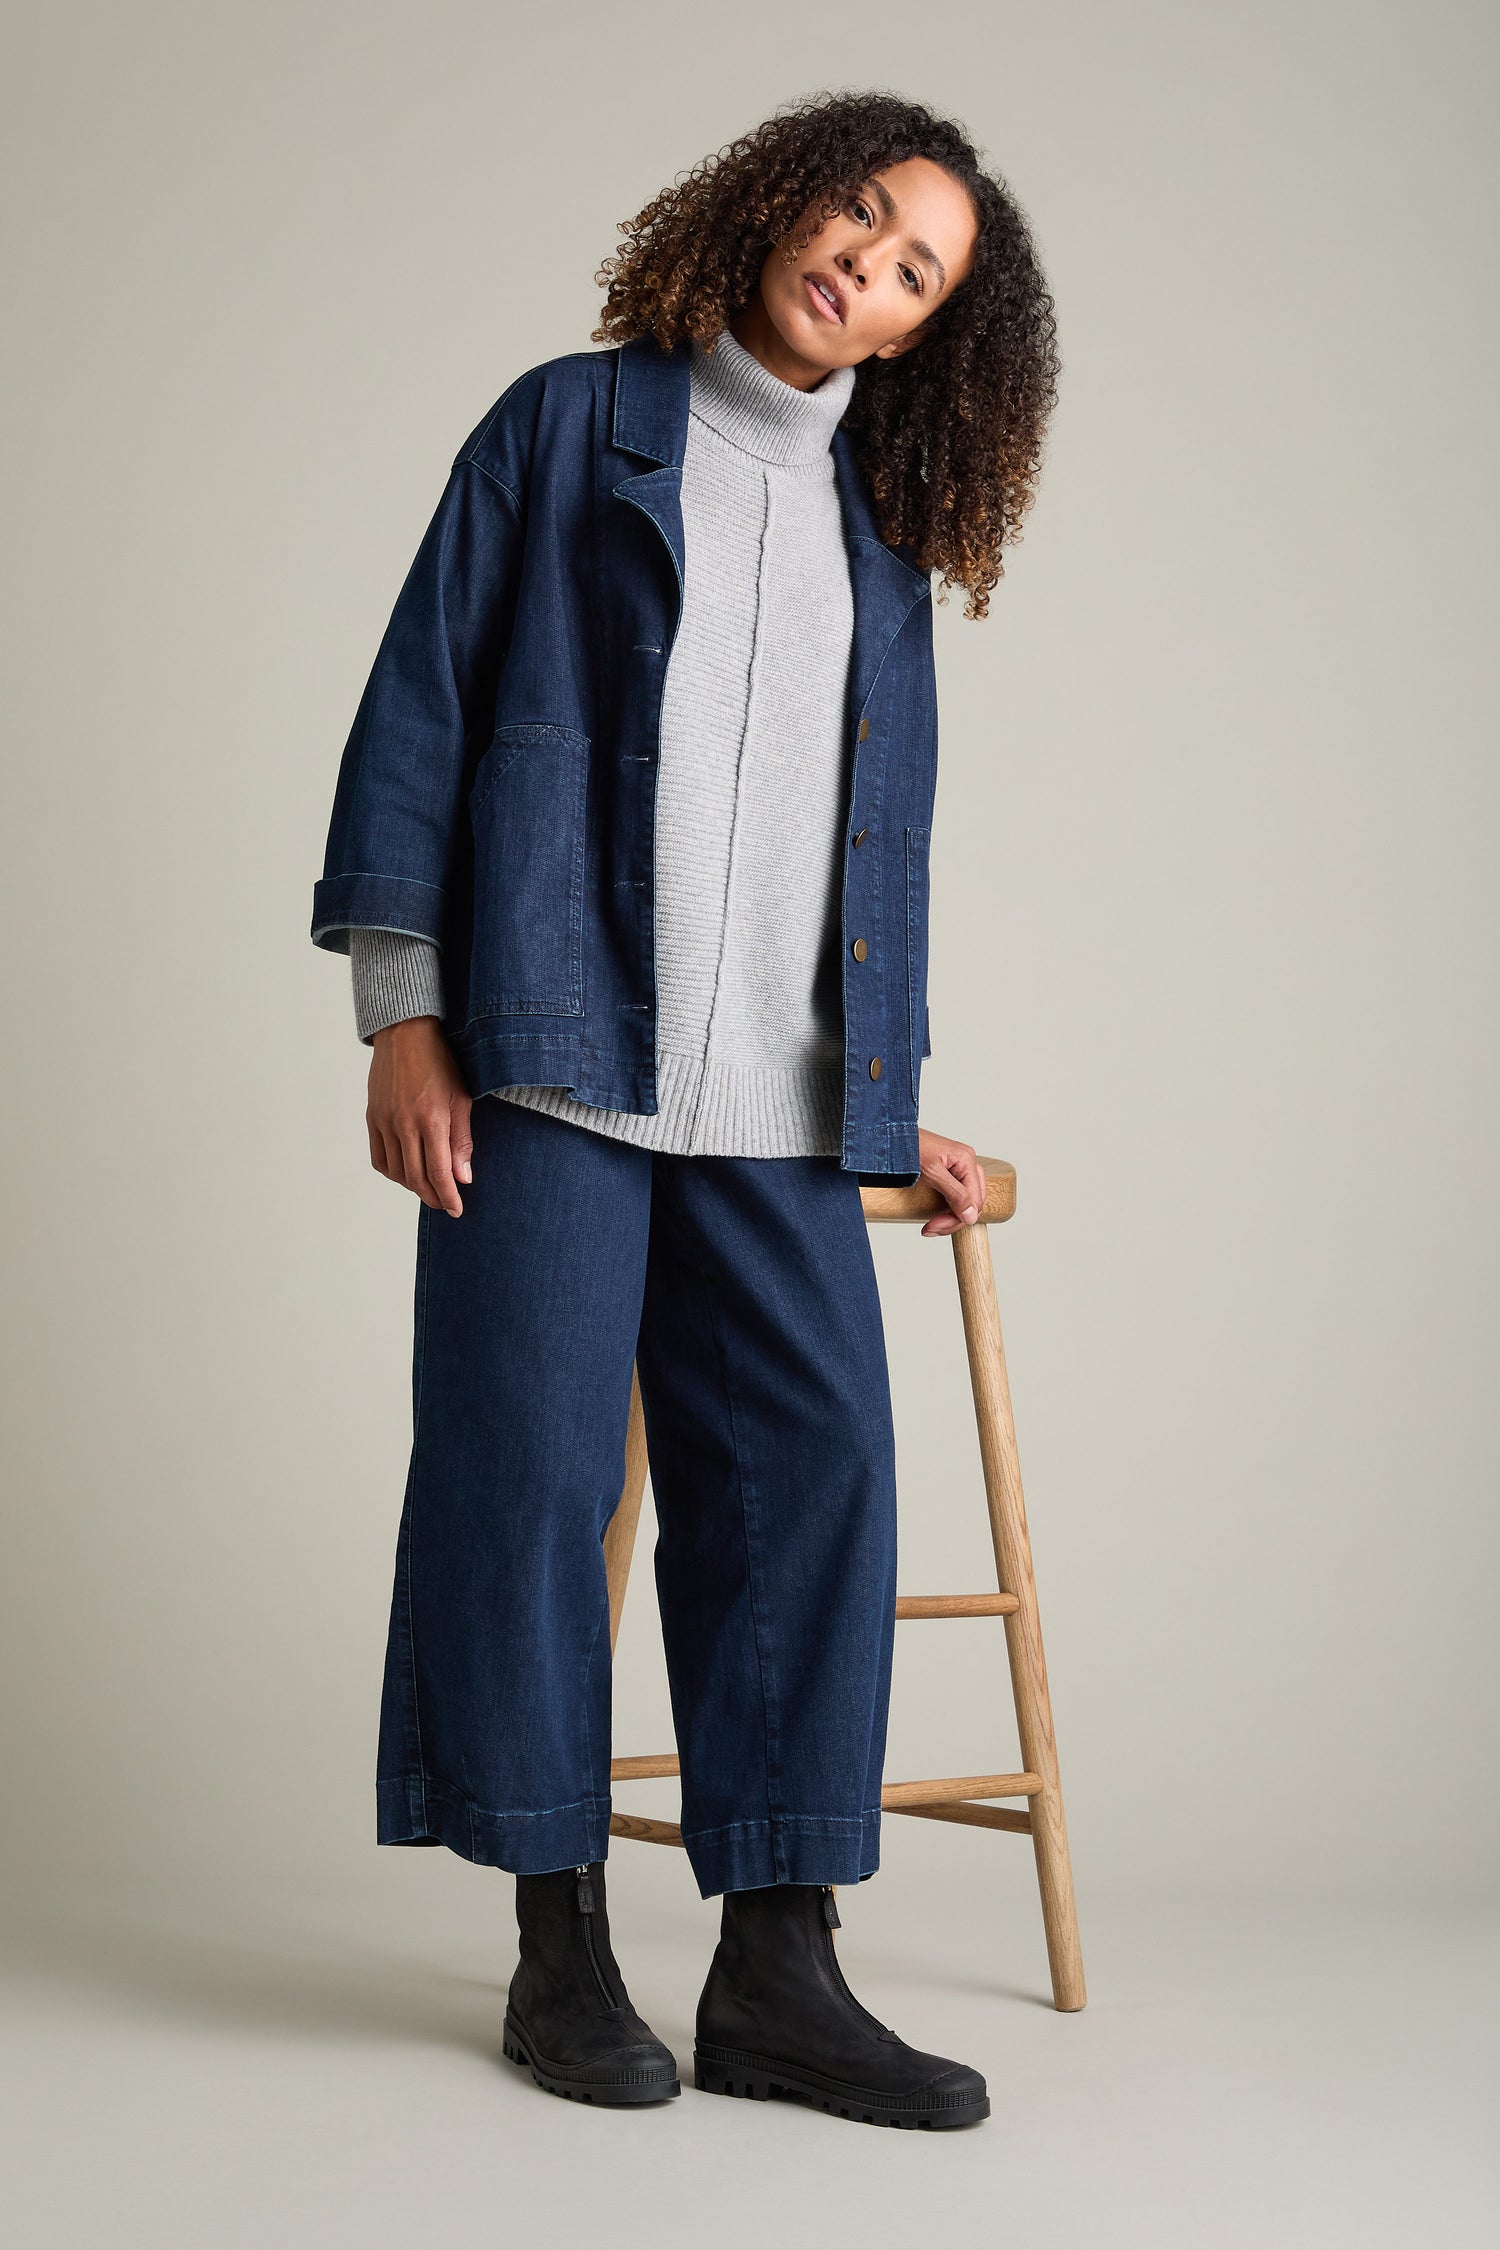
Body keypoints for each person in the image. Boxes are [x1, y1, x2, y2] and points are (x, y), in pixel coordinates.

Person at [311, 88, 1059, 2130]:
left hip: (783, 1108)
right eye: (858, 218)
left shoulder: (882, 534)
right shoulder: (565, 428)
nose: (867, 268)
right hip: (549, 1054)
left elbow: (849, 849)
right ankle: (561, 1946)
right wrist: (405, 1014)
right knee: (529, 1481)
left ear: (924, 335)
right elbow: (422, 708)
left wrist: (891, 1105)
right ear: (774, 201)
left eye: (917, 271)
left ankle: (782, 1972)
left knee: (813, 1488)